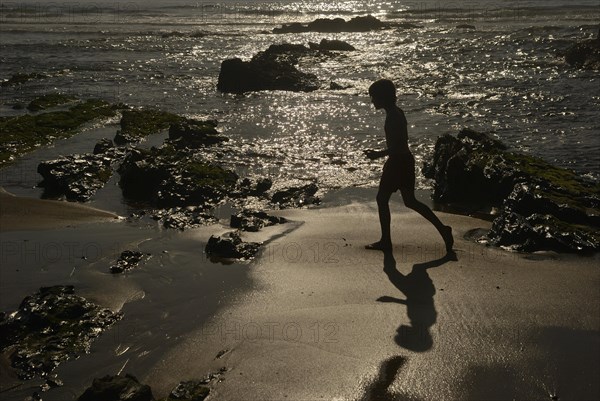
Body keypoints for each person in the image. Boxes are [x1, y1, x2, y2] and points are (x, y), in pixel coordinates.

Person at [364, 79, 453, 253]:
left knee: (382, 199)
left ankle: (386, 241)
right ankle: (443, 229)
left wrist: (377, 155)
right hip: (405, 161)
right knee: (410, 201)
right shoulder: (397, 112)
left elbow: (398, 146)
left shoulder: (393, 117)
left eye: (374, 97)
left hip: (398, 163)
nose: (372, 101)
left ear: (383, 97)